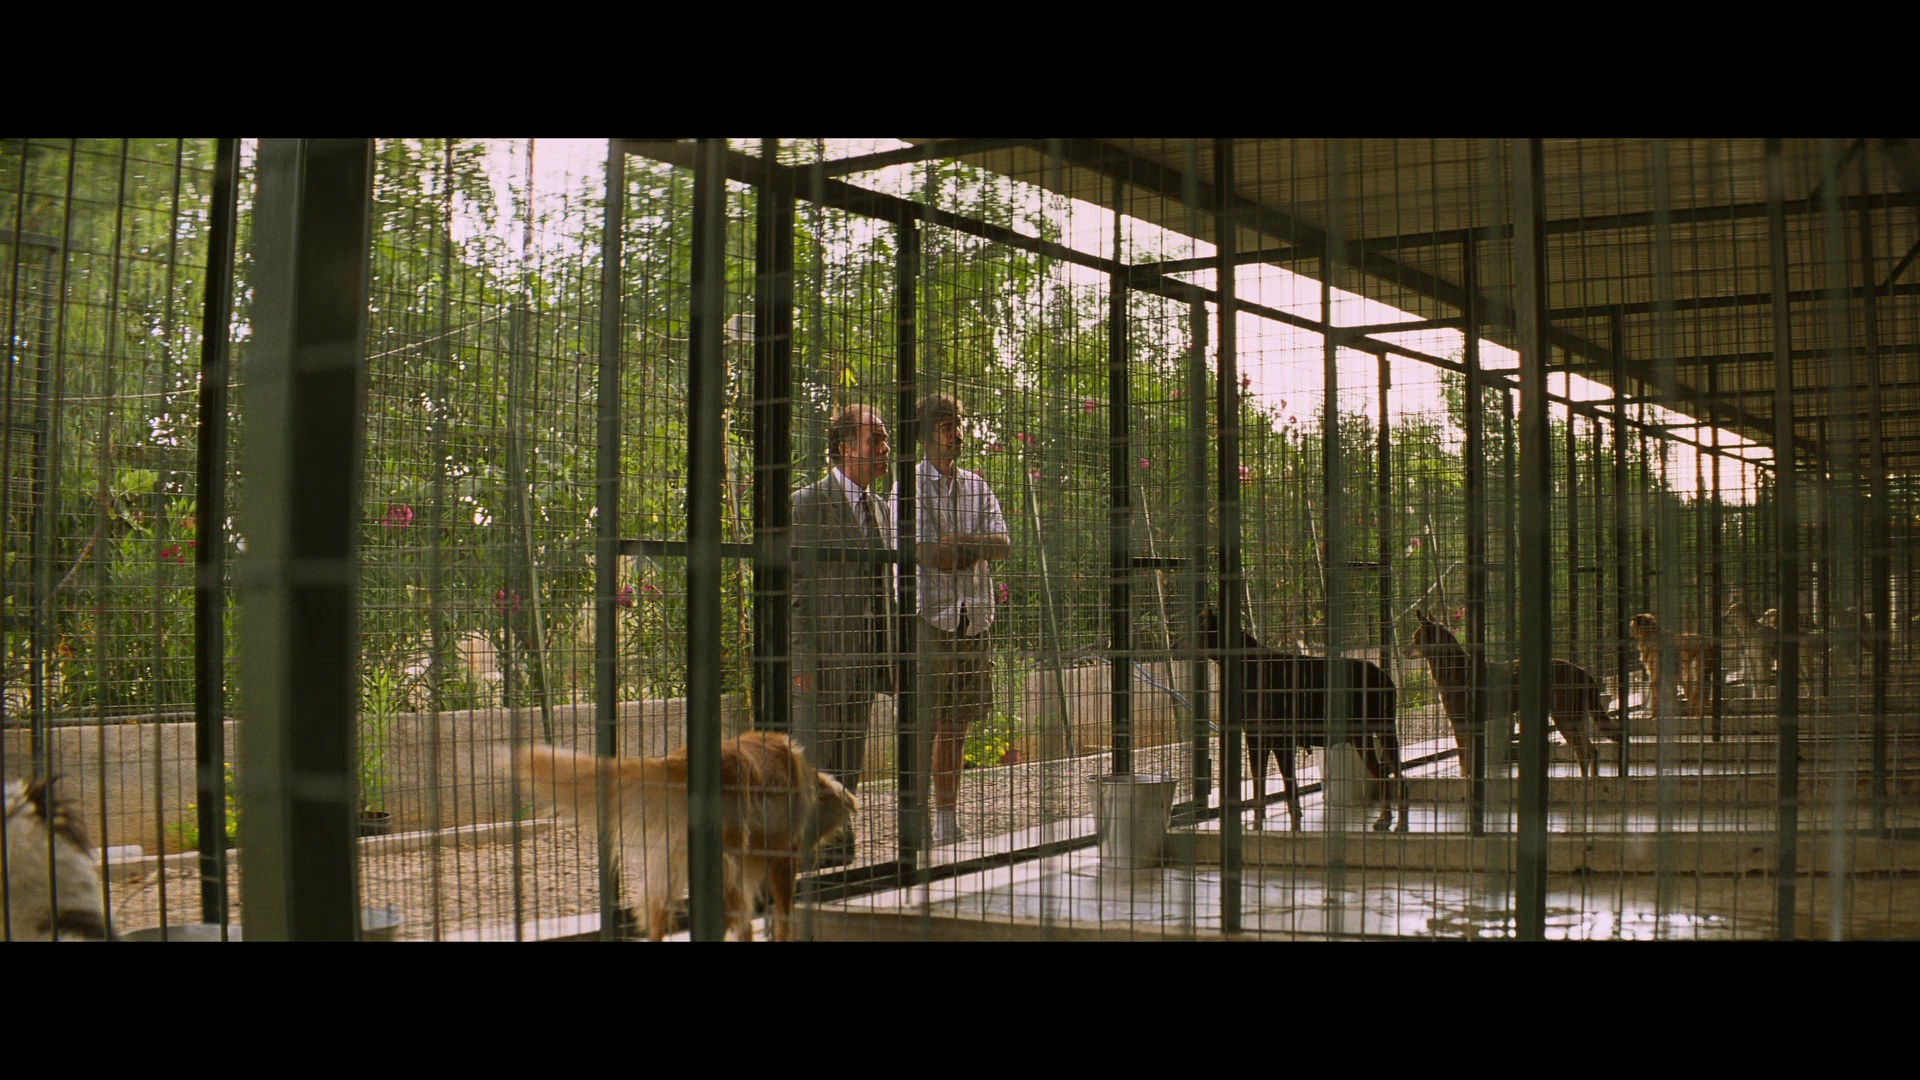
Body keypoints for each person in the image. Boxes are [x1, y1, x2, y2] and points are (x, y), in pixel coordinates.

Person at [790, 402, 895, 868]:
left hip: (865, 660)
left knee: (850, 761)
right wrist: (801, 661)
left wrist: (890, 659)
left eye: (885, 439)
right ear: (845, 447)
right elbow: (792, 591)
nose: (885, 448)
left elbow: (885, 590)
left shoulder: (880, 508)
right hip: (824, 660)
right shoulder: (806, 504)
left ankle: (839, 853)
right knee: (813, 763)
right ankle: (805, 859)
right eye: (876, 440)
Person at [911, 392, 1009, 845]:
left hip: (975, 618)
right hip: (930, 619)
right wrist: (971, 547)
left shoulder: (976, 485)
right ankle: (914, 818)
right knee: (924, 726)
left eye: (960, 424)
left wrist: (958, 542)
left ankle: (946, 821)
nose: (958, 433)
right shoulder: (909, 487)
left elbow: (1003, 546)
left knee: (957, 725)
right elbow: (930, 554)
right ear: (926, 433)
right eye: (947, 426)